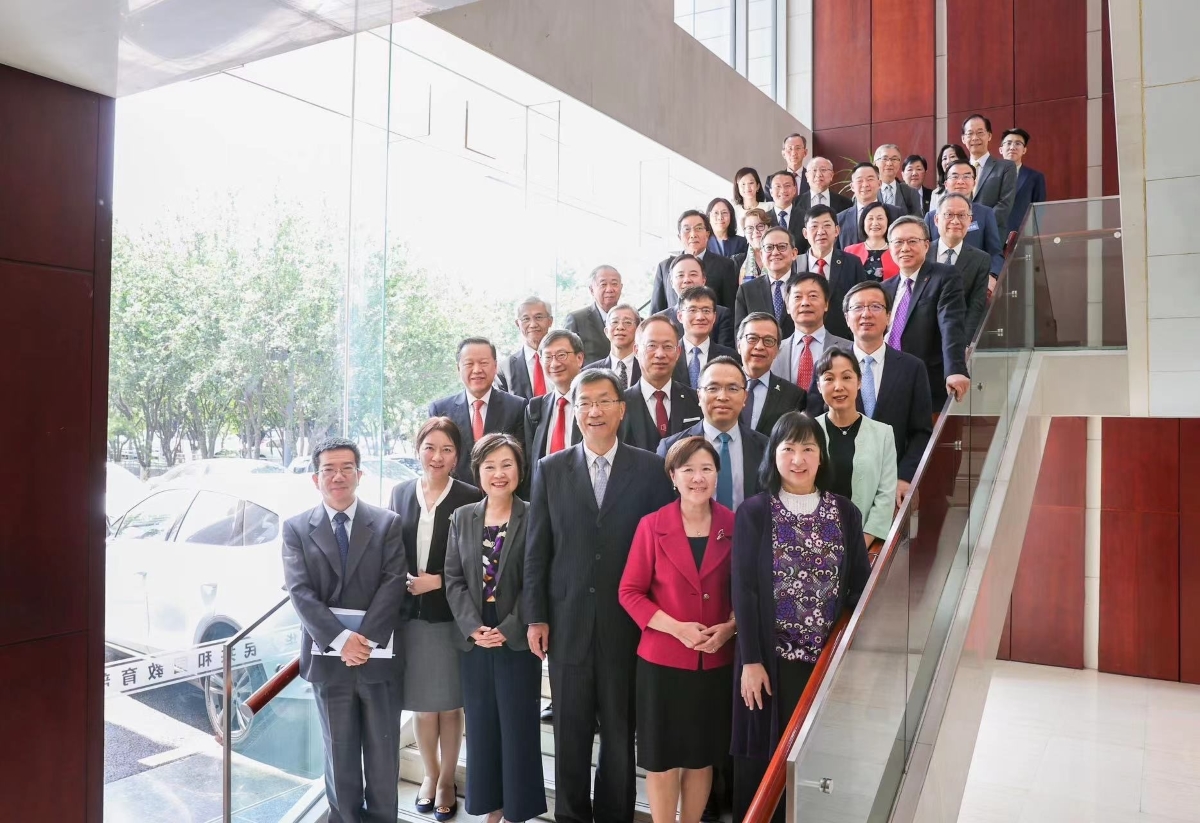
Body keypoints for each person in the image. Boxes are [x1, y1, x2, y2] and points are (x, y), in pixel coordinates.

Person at [524, 369, 676, 823]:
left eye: (604, 401)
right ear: (574, 411)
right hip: (566, 621)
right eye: (585, 402)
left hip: (626, 625)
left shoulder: (650, 469)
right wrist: (536, 617)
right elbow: (537, 550)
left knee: (619, 731)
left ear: (621, 409)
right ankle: (570, 816)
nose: (595, 411)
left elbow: (661, 552)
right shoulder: (551, 468)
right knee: (569, 732)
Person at [730, 413, 870, 822]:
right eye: (788, 448)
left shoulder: (845, 512)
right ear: (773, 456)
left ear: (821, 456)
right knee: (763, 765)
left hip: (824, 666)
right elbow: (744, 590)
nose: (798, 458)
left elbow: (859, 588)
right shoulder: (754, 512)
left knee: (818, 762)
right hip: (767, 663)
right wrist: (751, 661)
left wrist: (852, 657)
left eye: (808, 448)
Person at [282, 437, 407, 823]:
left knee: (383, 756)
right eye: (329, 470)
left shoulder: (386, 523)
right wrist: (341, 641)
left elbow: (393, 583)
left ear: (359, 474)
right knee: (339, 755)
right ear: (315, 478)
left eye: (346, 468)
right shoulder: (296, 529)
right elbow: (300, 592)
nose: (338, 476)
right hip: (329, 662)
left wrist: (362, 641)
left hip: (377, 659)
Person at [618, 437, 736, 823]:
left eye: (706, 469)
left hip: (714, 662)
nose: (697, 478)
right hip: (662, 664)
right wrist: (677, 629)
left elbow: (748, 591)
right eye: (688, 470)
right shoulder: (652, 526)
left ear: (717, 475)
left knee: (702, 759)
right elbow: (629, 592)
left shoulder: (735, 525)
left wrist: (731, 627)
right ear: (673, 476)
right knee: (663, 760)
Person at [444, 433, 546, 823]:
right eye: (490, 466)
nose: (498, 473)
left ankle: (518, 809)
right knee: (482, 725)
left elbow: (538, 577)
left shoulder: (535, 514)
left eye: (507, 464)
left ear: (520, 470)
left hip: (517, 636)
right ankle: (492, 806)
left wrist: (512, 625)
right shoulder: (462, 516)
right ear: (478, 471)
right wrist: (473, 627)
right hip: (475, 637)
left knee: (518, 726)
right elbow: (453, 579)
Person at [390, 419, 483, 820]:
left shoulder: (470, 495)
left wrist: (439, 581)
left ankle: (447, 780)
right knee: (423, 707)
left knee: (449, 706)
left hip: (452, 616)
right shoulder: (400, 492)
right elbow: (390, 549)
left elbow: (479, 562)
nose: (437, 456)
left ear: (457, 456)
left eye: (446, 449)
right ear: (418, 449)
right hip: (410, 617)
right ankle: (429, 775)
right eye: (429, 447)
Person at [805, 281, 931, 506]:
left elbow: (921, 432)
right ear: (846, 318)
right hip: (834, 485)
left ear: (889, 316)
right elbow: (813, 423)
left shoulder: (912, 368)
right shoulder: (826, 366)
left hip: (890, 485)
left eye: (875, 307)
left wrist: (904, 477)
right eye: (858, 308)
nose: (866, 314)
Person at [880, 216, 970, 409]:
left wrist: (955, 369)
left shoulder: (944, 276)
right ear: (890, 248)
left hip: (926, 380)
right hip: (886, 379)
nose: (905, 248)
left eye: (912, 241)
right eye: (898, 242)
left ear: (926, 245)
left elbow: (951, 324)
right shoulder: (884, 288)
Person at [657, 356, 768, 510]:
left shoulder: (765, 447)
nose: (722, 397)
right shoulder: (671, 447)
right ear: (699, 396)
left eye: (732, 389)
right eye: (713, 388)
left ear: (745, 397)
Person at [812, 349, 898, 548]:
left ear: (859, 382)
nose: (838, 386)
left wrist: (860, 543)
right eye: (829, 379)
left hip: (863, 544)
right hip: (813, 543)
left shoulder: (883, 433)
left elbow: (885, 495)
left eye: (846, 377)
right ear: (818, 386)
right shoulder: (807, 432)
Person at [428, 338, 528, 482]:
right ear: (458, 368)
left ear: (495, 366)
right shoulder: (440, 410)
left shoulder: (517, 407)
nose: (477, 370)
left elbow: (522, 460)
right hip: (455, 493)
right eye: (469, 364)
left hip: (501, 490)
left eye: (483, 363)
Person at [621, 315, 703, 453]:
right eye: (651, 346)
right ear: (636, 351)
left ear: (678, 352)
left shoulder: (696, 401)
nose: (660, 354)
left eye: (667, 346)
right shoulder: (620, 405)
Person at [796, 205, 872, 340]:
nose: (821, 232)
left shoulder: (852, 263)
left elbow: (862, 301)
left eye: (826, 225)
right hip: (803, 338)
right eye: (814, 226)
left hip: (843, 339)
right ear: (805, 233)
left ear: (837, 230)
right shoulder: (794, 264)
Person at [770, 271, 853, 391]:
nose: (805, 303)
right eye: (797, 297)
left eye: (813, 296)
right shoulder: (773, 351)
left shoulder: (849, 349)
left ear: (826, 304)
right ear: (787, 307)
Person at [523, 330, 586, 481]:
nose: (554, 363)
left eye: (561, 355)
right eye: (548, 357)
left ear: (579, 358)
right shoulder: (535, 407)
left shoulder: (594, 406)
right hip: (545, 490)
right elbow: (530, 463)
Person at [928, 194, 991, 340]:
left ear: (970, 220)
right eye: (949, 214)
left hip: (956, 338)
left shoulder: (980, 259)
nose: (955, 221)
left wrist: (965, 342)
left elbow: (976, 306)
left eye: (962, 215)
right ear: (936, 220)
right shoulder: (922, 253)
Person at [926, 160, 1005, 277]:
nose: (960, 181)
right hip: (936, 278)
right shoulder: (931, 216)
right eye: (955, 176)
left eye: (966, 176)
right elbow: (923, 250)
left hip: (974, 277)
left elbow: (995, 253)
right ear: (946, 184)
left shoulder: (985, 213)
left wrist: (992, 276)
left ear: (974, 183)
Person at [650, 211, 737, 314]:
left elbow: (730, 309)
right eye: (687, 229)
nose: (693, 235)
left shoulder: (725, 265)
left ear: (707, 234)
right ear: (679, 236)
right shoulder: (664, 267)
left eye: (699, 228)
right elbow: (656, 311)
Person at [736, 312, 806, 437]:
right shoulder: (717, 386)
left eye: (768, 341)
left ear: (777, 350)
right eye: (752, 338)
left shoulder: (793, 396)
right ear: (739, 345)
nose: (759, 347)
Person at [654, 254, 735, 348]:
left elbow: (725, 353)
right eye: (680, 275)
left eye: (693, 274)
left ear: (704, 280)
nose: (687, 280)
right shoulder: (660, 319)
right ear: (672, 282)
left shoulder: (721, 315)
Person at [733, 226, 798, 340]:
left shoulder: (805, 287)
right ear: (762, 255)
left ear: (794, 253)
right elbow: (740, 336)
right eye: (769, 247)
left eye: (782, 247)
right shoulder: (746, 291)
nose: (775, 252)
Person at [671, 286, 740, 389]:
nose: (700, 317)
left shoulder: (730, 357)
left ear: (714, 317)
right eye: (692, 310)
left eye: (706, 311)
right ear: (680, 316)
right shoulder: (668, 355)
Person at [961, 113, 1018, 231]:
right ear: (963, 139)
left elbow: (1004, 204)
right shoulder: (958, 170)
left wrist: (975, 227)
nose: (975, 138)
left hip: (991, 233)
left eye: (980, 132)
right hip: (960, 235)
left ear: (989, 136)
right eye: (970, 133)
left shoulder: (1006, 167)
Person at [565, 265, 624, 364]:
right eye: (603, 284)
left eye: (614, 284)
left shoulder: (635, 320)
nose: (609, 289)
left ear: (621, 287)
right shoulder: (577, 319)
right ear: (591, 289)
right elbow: (568, 357)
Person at [497, 297, 554, 399]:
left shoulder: (566, 358)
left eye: (539, 317)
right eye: (526, 319)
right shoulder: (505, 368)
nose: (533, 324)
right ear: (517, 324)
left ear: (550, 321)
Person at [836, 162, 903, 246]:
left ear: (879, 184)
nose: (865, 184)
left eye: (870, 179)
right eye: (860, 180)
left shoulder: (896, 213)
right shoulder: (840, 219)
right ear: (852, 187)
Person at [998, 127, 1047, 235]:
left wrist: (1032, 235)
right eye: (1008, 143)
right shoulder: (989, 176)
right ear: (1001, 149)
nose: (1012, 147)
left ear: (1024, 150)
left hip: (1022, 236)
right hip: (992, 235)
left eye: (1018, 143)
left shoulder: (1035, 177)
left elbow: (1039, 211)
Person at [584, 303, 642, 390]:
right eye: (614, 322)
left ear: (638, 331)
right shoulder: (588, 373)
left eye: (627, 322)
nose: (620, 327)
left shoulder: (648, 369)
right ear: (606, 331)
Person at [843, 202, 899, 281]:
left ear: (888, 222)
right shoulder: (850, 251)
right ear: (863, 222)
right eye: (870, 218)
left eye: (880, 218)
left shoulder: (897, 250)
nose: (875, 223)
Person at [873, 143, 924, 217]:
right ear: (875, 163)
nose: (889, 163)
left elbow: (917, 220)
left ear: (899, 163)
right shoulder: (869, 190)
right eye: (885, 159)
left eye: (894, 159)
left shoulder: (910, 192)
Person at [764, 170, 804, 251]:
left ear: (794, 190)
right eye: (778, 186)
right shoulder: (763, 219)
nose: (783, 190)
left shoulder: (805, 216)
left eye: (787, 186)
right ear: (771, 192)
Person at [731, 208, 771, 285]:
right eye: (750, 228)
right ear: (745, 233)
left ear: (769, 228)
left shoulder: (779, 256)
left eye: (760, 226)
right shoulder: (736, 262)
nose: (755, 231)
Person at [928, 143, 968, 215]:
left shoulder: (969, 186)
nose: (948, 161)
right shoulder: (936, 193)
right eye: (944, 158)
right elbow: (932, 218)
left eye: (952, 156)